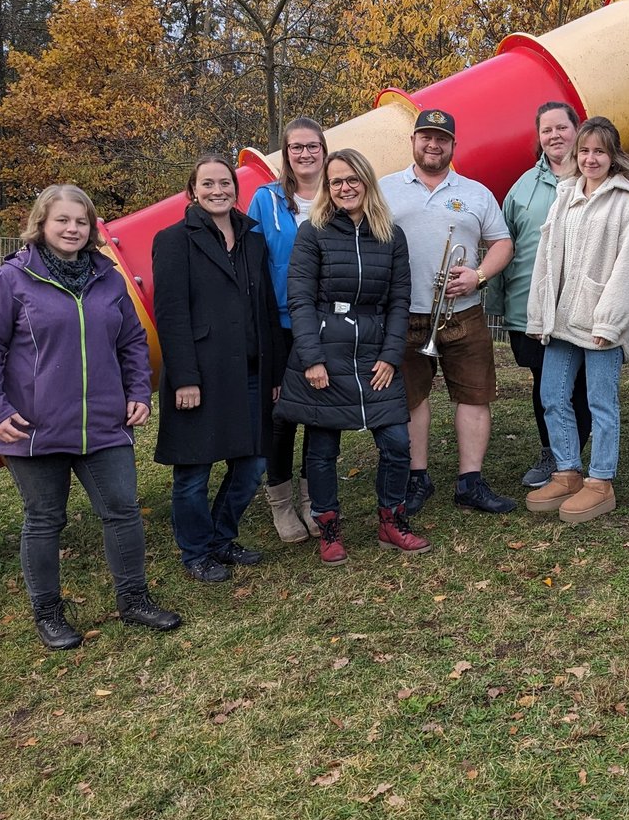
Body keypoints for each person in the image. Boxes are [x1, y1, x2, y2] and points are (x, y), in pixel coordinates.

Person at [0, 184, 180, 650]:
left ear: (91, 227)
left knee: (122, 510)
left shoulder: (108, 278)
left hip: (103, 422)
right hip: (33, 426)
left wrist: (138, 390)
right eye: (62, 220)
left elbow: (131, 343)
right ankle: (48, 612)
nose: (72, 229)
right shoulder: (13, 280)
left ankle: (134, 599)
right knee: (44, 519)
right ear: (41, 223)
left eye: (81, 221)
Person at [275, 149, 429, 565]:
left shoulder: (391, 236)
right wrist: (312, 357)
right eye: (336, 181)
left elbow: (400, 301)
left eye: (352, 179)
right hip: (327, 350)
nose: (345, 188)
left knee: (397, 443)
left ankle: (391, 521)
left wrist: (391, 355)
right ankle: (328, 527)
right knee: (322, 448)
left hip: (376, 351)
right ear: (328, 188)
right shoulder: (314, 232)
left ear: (366, 181)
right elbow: (301, 299)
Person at [153, 155, 286, 583]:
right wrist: (185, 378)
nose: (217, 190)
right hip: (202, 374)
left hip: (250, 371)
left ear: (236, 188)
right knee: (194, 469)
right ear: (192, 191)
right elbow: (170, 314)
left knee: (253, 462)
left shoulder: (252, 237)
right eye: (207, 184)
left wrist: (276, 374)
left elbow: (266, 307)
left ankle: (221, 539)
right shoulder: (174, 240)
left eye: (225, 183)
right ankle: (195, 552)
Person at [382, 108, 517, 516]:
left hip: (463, 311)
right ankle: (416, 477)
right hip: (405, 313)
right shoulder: (385, 188)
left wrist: (477, 275)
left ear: (453, 146)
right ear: (414, 142)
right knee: (410, 398)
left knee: (474, 395)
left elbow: (502, 244)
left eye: (442, 139)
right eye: (426, 137)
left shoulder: (476, 192)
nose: (433, 145)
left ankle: (469, 482)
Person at [523, 117, 629, 523]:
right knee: (552, 396)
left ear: (613, 156)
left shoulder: (627, 201)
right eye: (585, 151)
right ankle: (566, 471)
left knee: (601, 403)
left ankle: (600, 481)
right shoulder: (564, 197)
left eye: (599, 151)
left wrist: (610, 322)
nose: (591, 158)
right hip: (561, 319)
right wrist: (540, 312)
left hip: (599, 324)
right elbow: (546, 259)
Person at [499, 102, 591, 488]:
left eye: (562, 127)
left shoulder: (596, 175)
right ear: (538, 137)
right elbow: (507, 243)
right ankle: (552, 451)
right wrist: (504, 306)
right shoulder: (523, 187)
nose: (555, 136)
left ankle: (578, 452)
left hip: (583, 305)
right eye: (546, 130)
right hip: (532, 308)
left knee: (582, 383)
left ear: (577, 129)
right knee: (544, 383)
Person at [248, 117, 326, 544]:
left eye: (312, 146)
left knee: (318, 411)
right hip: (280, 323)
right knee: (280, 416)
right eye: (296, 147)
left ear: (323, 149)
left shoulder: (338, 195)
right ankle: (280, 502)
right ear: (285, 153)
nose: (305, 154)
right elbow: (255, 264)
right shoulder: (266, 199)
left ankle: (315, 501)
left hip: (323, 322)